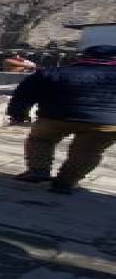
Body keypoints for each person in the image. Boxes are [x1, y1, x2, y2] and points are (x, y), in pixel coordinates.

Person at [7, 44, 116, 194]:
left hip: (55, 117)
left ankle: (38, 170)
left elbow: (24, 94)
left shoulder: (53, 72)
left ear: (83, 57)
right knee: (88, 152)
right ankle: (65, 182)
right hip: (106, 123)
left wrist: (18, 114)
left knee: (41, 140)